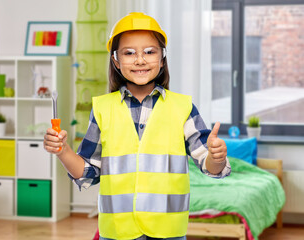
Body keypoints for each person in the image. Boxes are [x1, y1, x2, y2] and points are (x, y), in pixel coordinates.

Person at [44, 12, 231, 240]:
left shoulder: (183, 107)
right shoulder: (102, 108)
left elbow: (210, 166)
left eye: (150, 52)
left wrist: (217, 157)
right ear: (116, 60)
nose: (140, 60)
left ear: (162, 58)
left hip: (168, 230)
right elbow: (87, 173)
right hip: (117, 230)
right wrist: (63, 151)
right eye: (129, 53)